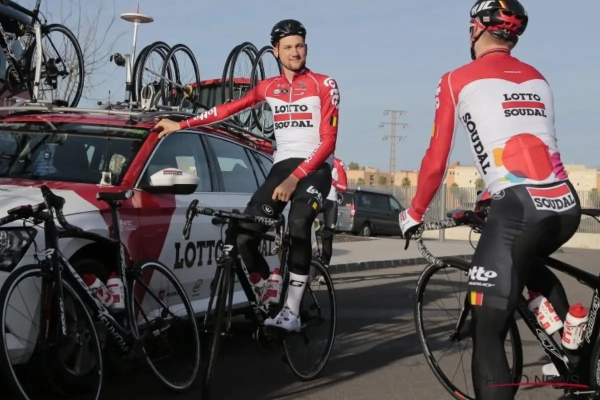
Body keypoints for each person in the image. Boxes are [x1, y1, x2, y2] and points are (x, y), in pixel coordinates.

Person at [398, 1, 581, 398]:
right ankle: (572, 348)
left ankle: (569, 352)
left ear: (476, 29)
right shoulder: (538, 78)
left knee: (487, 330)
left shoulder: (456, 79)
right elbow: (530, 150)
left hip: (519, 209)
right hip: (565, 203)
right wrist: (489, 193)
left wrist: (414, 211)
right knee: (526, 261)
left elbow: (436, 159)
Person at [151, 19, 340, 332]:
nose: (295, 52)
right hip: (282, 166)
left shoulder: (324, 84)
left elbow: (328, 141)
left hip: (315, 167)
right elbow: (226, 110)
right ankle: (267, 284)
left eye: (300, 46)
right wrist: (180, 125)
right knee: (243, 236)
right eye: (288, 47)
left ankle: (292, 311)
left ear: (306, 48)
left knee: (298, 223)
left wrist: (296, 178)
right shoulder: (269, 87)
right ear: (276, 51)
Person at [320, 156, 347, 267]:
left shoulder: (338, 163)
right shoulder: (317, 157)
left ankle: (325, 267)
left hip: (331, 201)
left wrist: (332, 181)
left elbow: (344, 187)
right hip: (318, 198)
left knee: (328, 236)